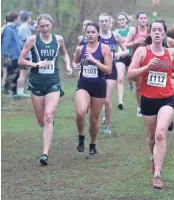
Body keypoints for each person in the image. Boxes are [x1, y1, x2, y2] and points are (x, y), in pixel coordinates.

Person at [127, 19, 174, 189]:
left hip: (167, 98)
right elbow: (130, 74)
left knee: (160, 134)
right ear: (150, 33)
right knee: (151, 138)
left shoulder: (170, 52)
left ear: (163, 33)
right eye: (153, 30)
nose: (156, 33)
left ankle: (157, 174)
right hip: (148, 100)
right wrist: (146, 67)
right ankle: (154, 159)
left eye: (159, 30)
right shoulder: (142, 51)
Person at [18, 14, 72, 165]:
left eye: (47, 25)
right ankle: (48, 124)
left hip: (53, 82)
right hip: (36, 82)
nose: (45, 28)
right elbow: (20, 60)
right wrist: (36, 64)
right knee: (42, 121)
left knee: (49, 116)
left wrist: (67, 65)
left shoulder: (59, 39)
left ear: (52, 24)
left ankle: (44, 154)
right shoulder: (32, 40)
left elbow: (65, 53)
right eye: (42, 26)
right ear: (38, 27)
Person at [73, 22, 112, 154]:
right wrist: (76, 66)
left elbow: (108, 70)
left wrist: (95, 61)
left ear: (98, 33)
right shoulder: (81, 49)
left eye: (93, 32)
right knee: (80, 112)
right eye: (88, 32)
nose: (90, 35)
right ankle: (81, 136)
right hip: (84, 83)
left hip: (99, 85)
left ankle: (93, 143)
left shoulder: (104, 49)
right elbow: (75, 62)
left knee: (94, 119)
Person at [99, 13, 128, 135]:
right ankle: (100, 117)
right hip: (97, 70)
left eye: (106, 21)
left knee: (106, 100)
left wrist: (119, 55)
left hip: (111, 70)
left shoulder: (115, 36)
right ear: (99, 23)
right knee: (98, 99)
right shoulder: (95, 36)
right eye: (101, 21)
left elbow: (126, 50)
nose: (104, 23)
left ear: (110, 22)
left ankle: (107, 126)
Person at [125, 11, 149, 117]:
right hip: (137, 60)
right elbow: (125, 44)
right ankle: (139, 106)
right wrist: (136, 42)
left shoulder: (150, 30)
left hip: (149, 58)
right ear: (137, 20)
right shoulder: (133, 31)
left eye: (145, 18)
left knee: (150, 83)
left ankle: (149, 103)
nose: (143, 20)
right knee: (139, 86)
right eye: (141, 18)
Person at [115, 12, 134, 110]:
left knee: (130, 76)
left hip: (131, 56)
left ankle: (131, 84)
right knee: (120, 78)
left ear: (126, 20)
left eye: (123, 19)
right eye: (119, 19)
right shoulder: (116, 32)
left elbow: (133, 41)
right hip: (121, 56)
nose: (121, 21)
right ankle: (120, 101)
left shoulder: (132, 30)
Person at [1, 11, 22, 97]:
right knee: (11, 74)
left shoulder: (13, 29)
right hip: (11, 56)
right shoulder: (8, 29)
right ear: (15, 19)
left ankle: (13, 92)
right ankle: (7, 91)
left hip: (17, 55)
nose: (19, 20)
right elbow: (6, 43)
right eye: (18, 18)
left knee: (16, 73)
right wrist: (7, 56)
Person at [17, 11, 33, 98]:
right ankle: (20, 91)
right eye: (29, 17)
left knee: (25, 73)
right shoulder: (23, 28)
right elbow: (28, 41)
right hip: (25, 54)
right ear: (27, 18)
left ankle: (23, 90)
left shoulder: (25, 27)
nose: (30, 18)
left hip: (26, 54)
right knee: (23, 73)